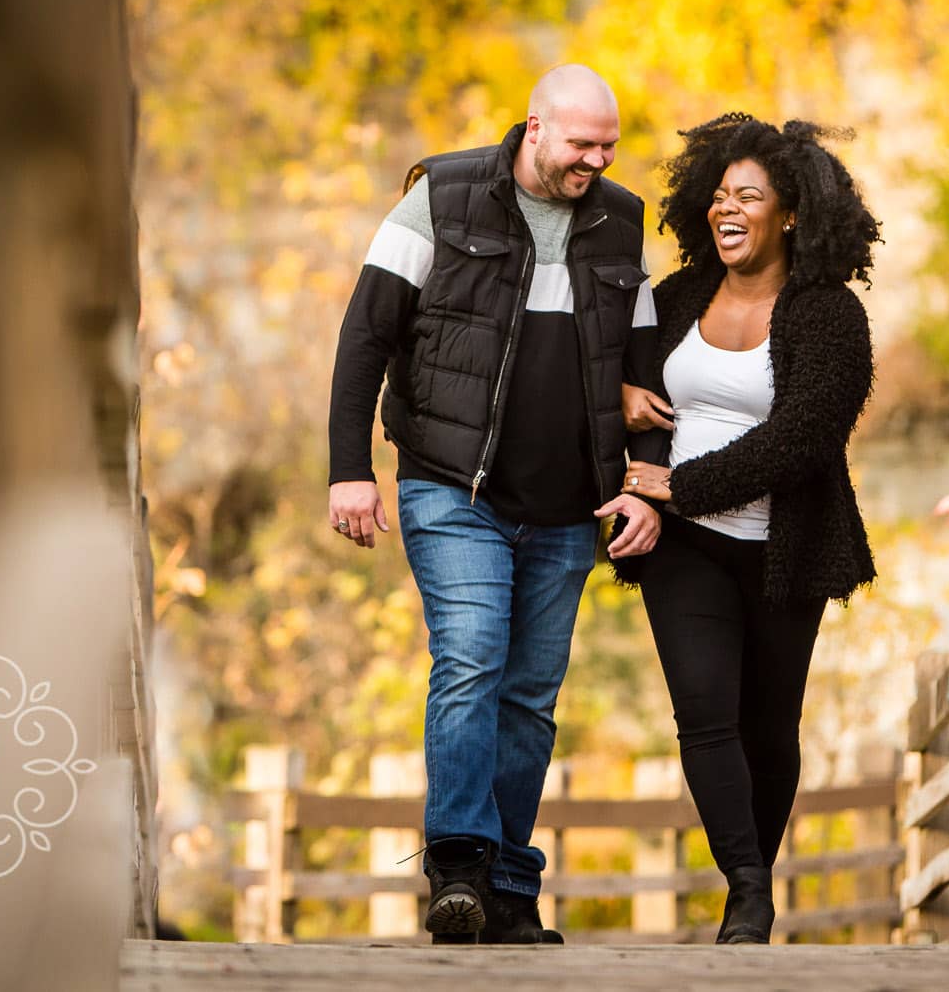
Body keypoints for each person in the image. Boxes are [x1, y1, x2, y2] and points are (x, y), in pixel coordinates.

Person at [327, 65, 662, 944]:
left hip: (566, 508)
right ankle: (460, 867)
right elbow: (365, 336)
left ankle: (510, 890)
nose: (597, 158)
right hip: (451, 484)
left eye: (609, 145)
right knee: (472, 657)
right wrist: (347, 468)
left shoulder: (621, 220)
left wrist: (646, 478)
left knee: (531, 696)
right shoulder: (442, 199)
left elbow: (646, 368)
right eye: (582, 142)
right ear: (536, 127)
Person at [615, 113, 879, 944]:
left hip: (783, 549)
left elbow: (801, 440)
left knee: (770, 727)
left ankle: (748, 888)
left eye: (749, 196)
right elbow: (627, 381)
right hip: (681, 548)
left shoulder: (830, 315)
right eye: (720, 195)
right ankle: (748, 888)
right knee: (704, 714)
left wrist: (680, 483)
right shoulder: (677, 297)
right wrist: (627, 402)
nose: (728, 209)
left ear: (791, 212)